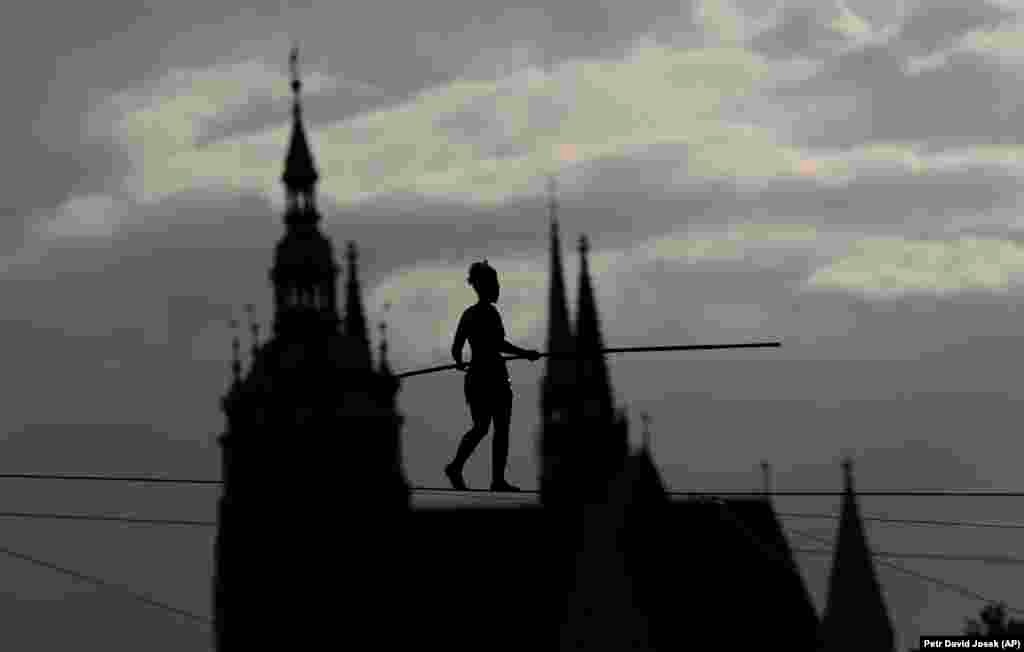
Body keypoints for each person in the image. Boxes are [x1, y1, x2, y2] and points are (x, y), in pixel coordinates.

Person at [444, 260, 541, 492]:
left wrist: (459, 362)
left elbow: (456, 348)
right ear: (487, 286)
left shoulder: (468, 315)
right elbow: (498, 343)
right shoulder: (489, 314)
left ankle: (457, 466)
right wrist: (525, 353)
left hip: (476, 377)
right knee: (501, 429)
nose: (498, 288)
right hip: (494, 378)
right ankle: (496, 479)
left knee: (481, 427)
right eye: (495, 284)